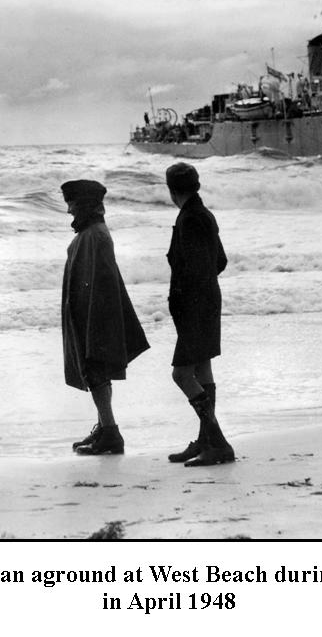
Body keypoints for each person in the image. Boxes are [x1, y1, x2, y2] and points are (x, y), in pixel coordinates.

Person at [61, 179, 149, 455]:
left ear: (85, 205)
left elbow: (100, 285)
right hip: (93, 316)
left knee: (95, 370)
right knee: (96, 371)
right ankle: (105, 425)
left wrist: (91, 327)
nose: (69, 211)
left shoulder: (94, 236)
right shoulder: (92, 233)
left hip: (95, 318)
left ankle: (110, 432)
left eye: (72, 204)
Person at [164, 162, 235, 466]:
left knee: (181, 374)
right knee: (202, 370)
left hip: (195, 305)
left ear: (171, 191)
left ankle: (216, 440)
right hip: (206, 300)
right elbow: (220, 261)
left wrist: (185, 301)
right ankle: (207, 439)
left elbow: (195, 268)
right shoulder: (202, 214)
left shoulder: (190, 218)